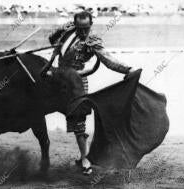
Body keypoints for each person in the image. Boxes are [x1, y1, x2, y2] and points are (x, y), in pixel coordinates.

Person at [48, 11, 135, 175]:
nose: (82, 32)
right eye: (79, 28)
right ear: (75, 25)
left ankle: (85, 159)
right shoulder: (68, 32)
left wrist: (126, 69)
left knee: (78, 120)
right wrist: (64, 28)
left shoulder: (92, 40)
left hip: (76, 82)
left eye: (86, 28)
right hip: (58, 77)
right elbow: (51, 40)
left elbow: (107, 59)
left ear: (91, 25)